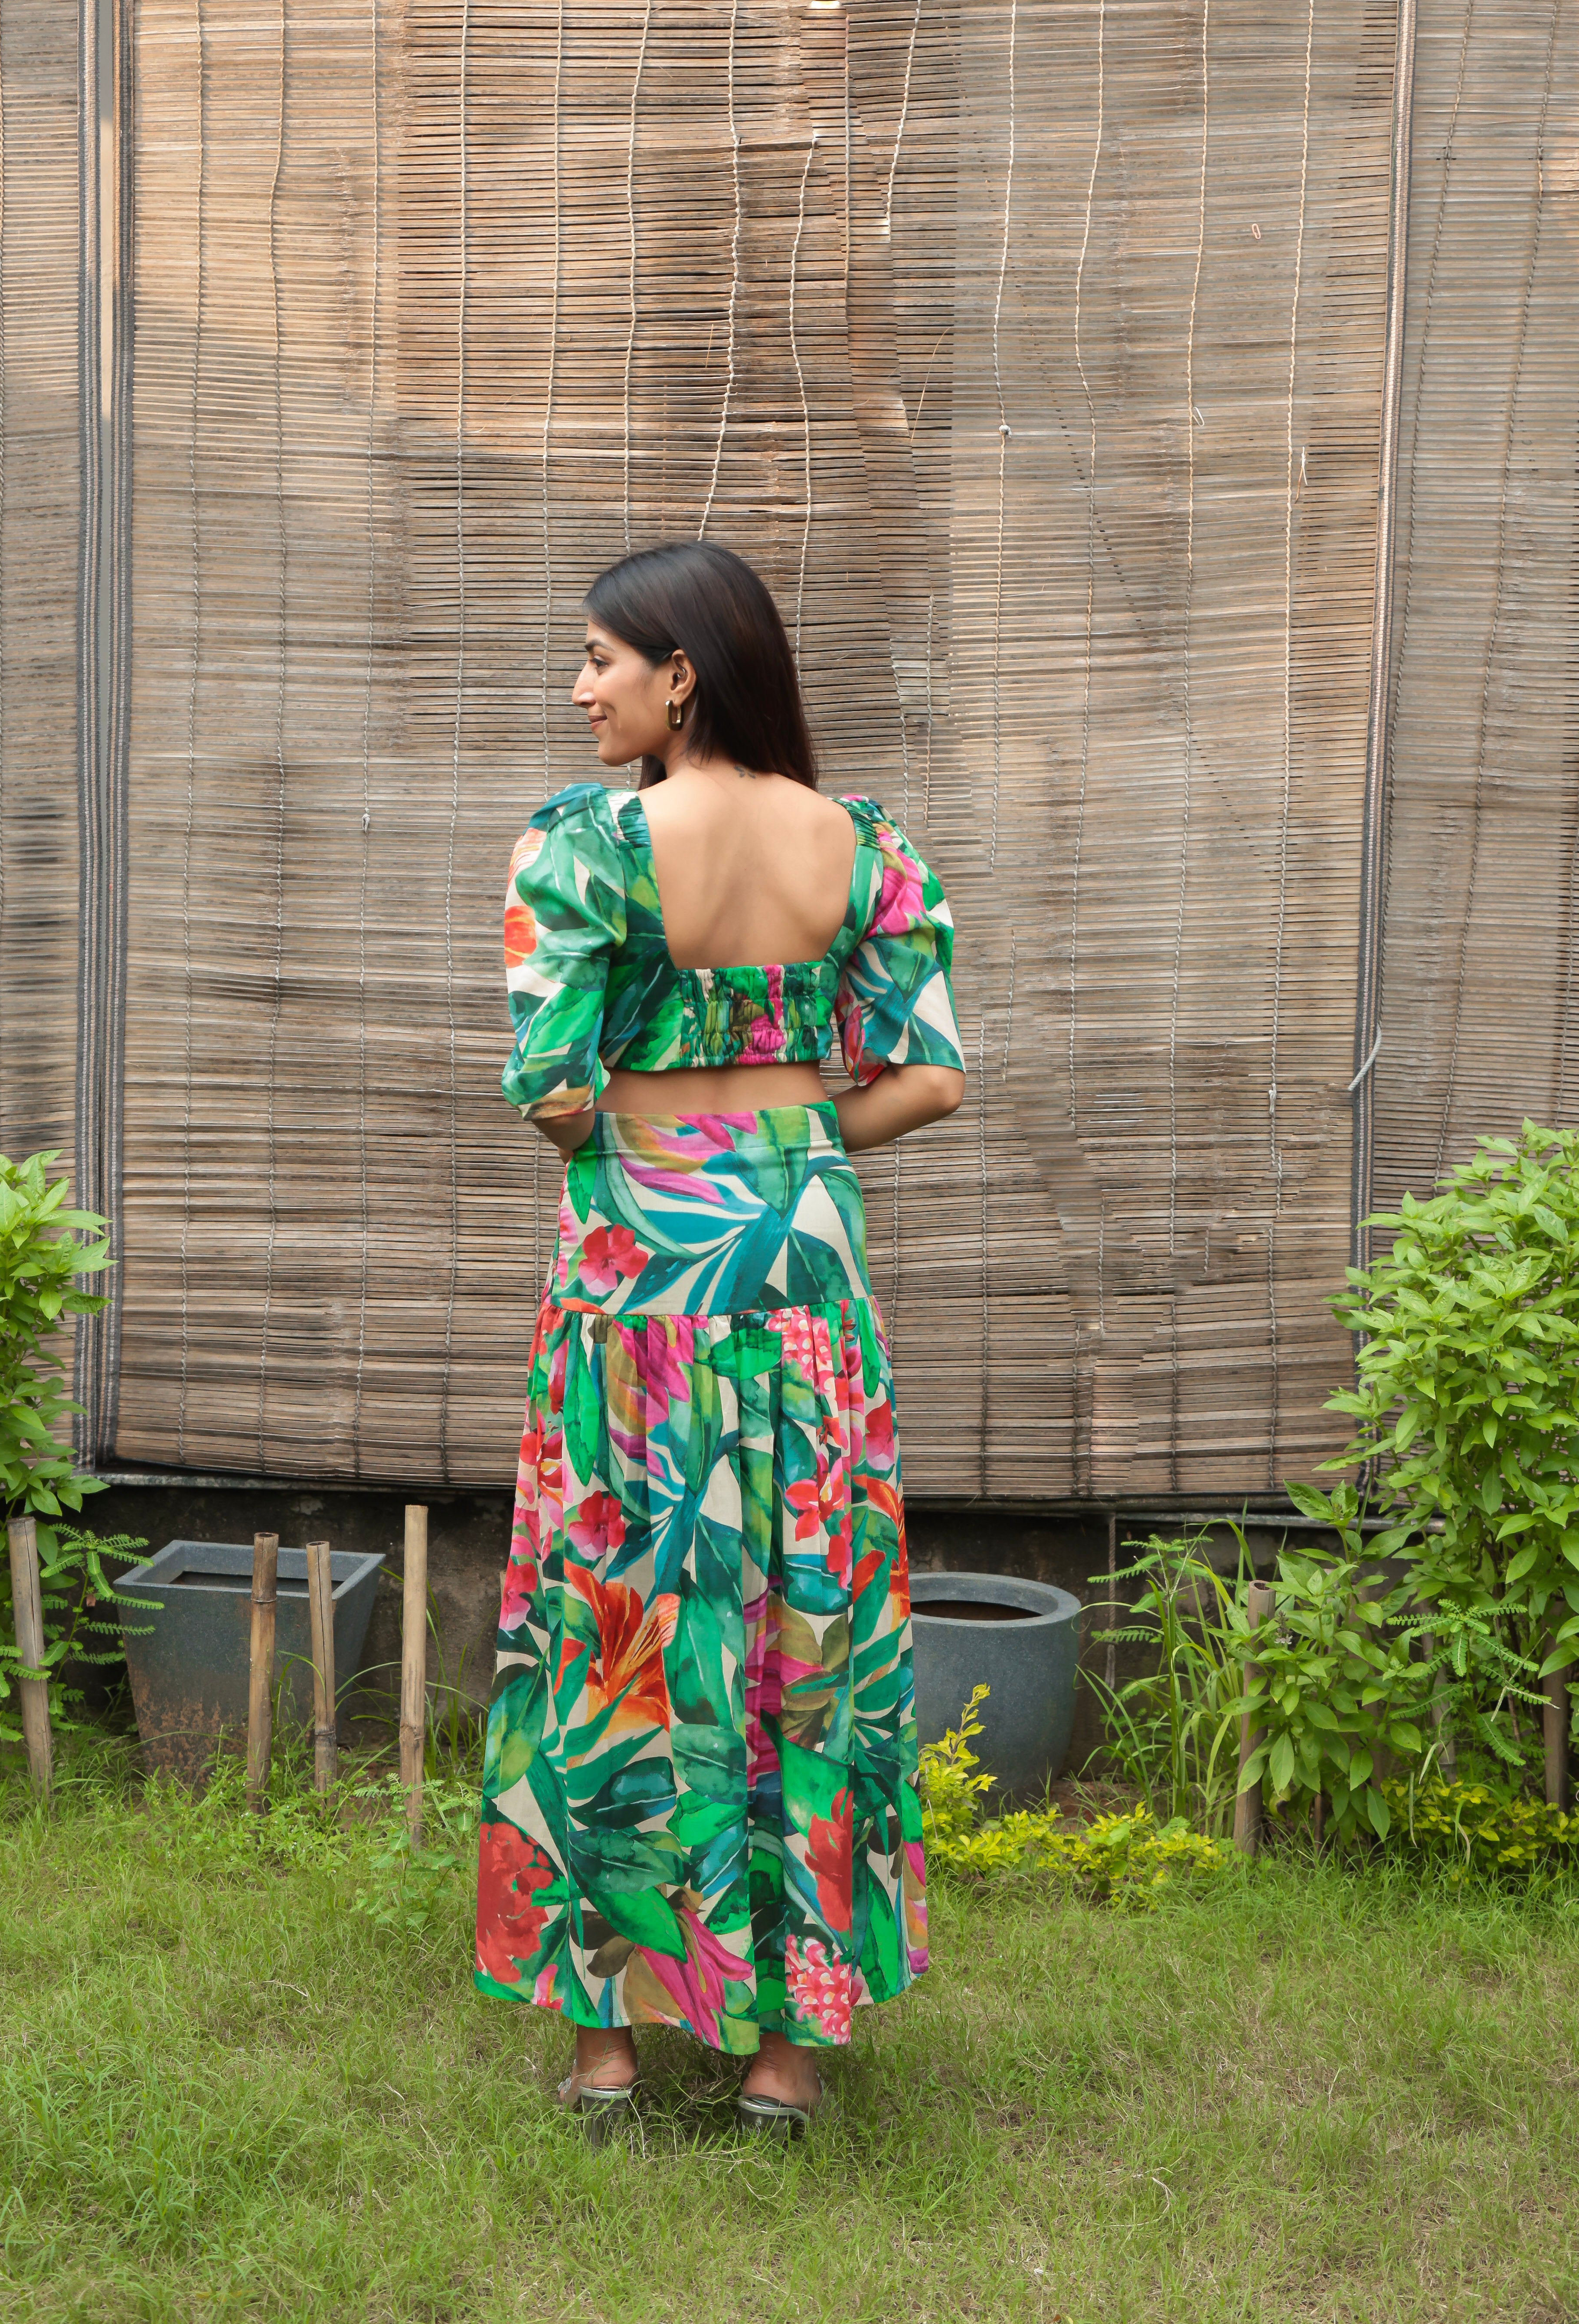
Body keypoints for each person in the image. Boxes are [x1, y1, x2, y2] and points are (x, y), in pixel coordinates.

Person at [473, 539, 964, 2138]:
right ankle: (784, 2056)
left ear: (680, 670)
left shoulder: (585, 843)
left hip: (645, 1264)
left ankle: (610, 2046)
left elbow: (551, 1088)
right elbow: (930, 1077)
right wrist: (794, 1148)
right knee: (803, 1622)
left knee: (628, 1612)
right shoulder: (867, 845)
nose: (580, 686)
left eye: (601, 658)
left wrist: (642, 1150)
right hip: (807, 1254)